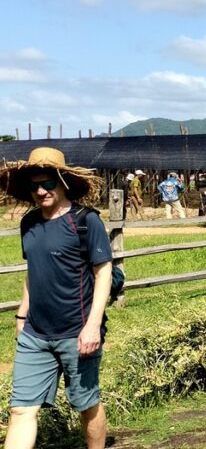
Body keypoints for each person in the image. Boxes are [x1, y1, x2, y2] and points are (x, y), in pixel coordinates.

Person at [0, 147, 111, 449]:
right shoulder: (30, 224)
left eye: (47, 183)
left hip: (77, 332)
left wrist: (92, 326)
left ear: (63, 183)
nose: (40, 190)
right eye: (34, 185)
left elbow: (103, 273)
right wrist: (22, 315)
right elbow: (33, 273)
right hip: (35, 335)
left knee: (86, 405)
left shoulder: (86, 221)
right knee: (21, 409)